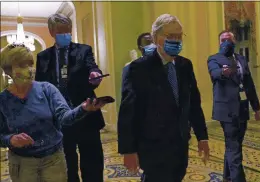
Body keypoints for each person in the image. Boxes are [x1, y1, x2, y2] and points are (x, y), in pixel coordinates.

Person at [118, 14, 210, 182]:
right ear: (155, 37)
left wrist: (202, 137)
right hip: (153, 148)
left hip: (180, 145)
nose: (175, 40)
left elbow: (194, 104)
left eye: (179, 36)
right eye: (170, 36)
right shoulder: (138, 69)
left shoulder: (185, 65)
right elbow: (128, 111)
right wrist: (128, 150)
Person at [0, 43, 105, 182]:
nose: (29, 70)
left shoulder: (47, 89)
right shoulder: (3, 100)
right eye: (21, 65)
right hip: (22, 164)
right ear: (8, 70)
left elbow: (65, 117)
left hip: (53, 160)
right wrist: (11, 139)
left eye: (30, 64)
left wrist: (83, 108)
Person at [35, 14, 105, 182]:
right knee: (66, 165)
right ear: (52, 32)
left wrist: (95, 75)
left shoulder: (83, 50)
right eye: (61, 31)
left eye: (68, 31)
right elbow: (39, 86)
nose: (66, 34)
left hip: (86, 113)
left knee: (93, 162)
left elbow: (92, 67)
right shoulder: (43, 57)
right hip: (60, 119)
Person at [207, 30, 260, 182]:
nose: (226, 42)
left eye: (229, 39)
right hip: (226, 111)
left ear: (234, 41)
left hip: (242, 108)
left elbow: (249, 84)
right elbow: (215, 74)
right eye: (223, 40)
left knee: (234, 145)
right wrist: (225, 70)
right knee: (234, 148)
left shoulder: (241, 59)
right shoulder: (214, 59)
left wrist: (256, 108)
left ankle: (227, 177)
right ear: (219, 42)